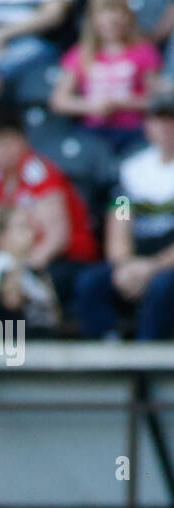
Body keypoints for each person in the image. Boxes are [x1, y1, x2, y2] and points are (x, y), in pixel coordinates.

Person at [0, 106, 98, 326]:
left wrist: (23, 269)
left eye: (3, 143)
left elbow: (58, 238)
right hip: (15, 259)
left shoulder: (40, 175)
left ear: (20, 141)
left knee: (15, 280)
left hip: (65, 259)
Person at [73, 90, 174, 341]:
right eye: (159, 119)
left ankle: (146, 365)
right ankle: (107, 352)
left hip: (166, 263)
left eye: (171, 120)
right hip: (136, 258)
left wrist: (152, 267)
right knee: (91, 283)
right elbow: (119, 216)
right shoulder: (131, 170)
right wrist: (124, 264)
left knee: (162, 288)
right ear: (148, 125)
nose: (166, 127)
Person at [50, 0, 163, 153]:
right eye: (104, 13)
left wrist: (122, 104)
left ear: (128, 18)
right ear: (93, 20)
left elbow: (157, 99)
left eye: (117, 13)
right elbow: (59, 101)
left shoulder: (143, 51)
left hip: (133, 131)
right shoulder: (81, 53)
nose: (111, 20)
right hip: (92, 131)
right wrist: (91, 106)